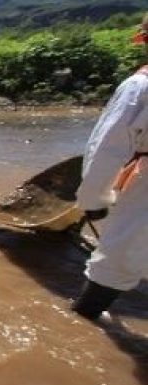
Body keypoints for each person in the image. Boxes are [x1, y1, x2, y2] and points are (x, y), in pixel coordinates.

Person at [71, 15, 148, 320]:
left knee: (117, 258)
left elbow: (104, 152)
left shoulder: (140, 87)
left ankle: (80, 326)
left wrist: (94, 203)